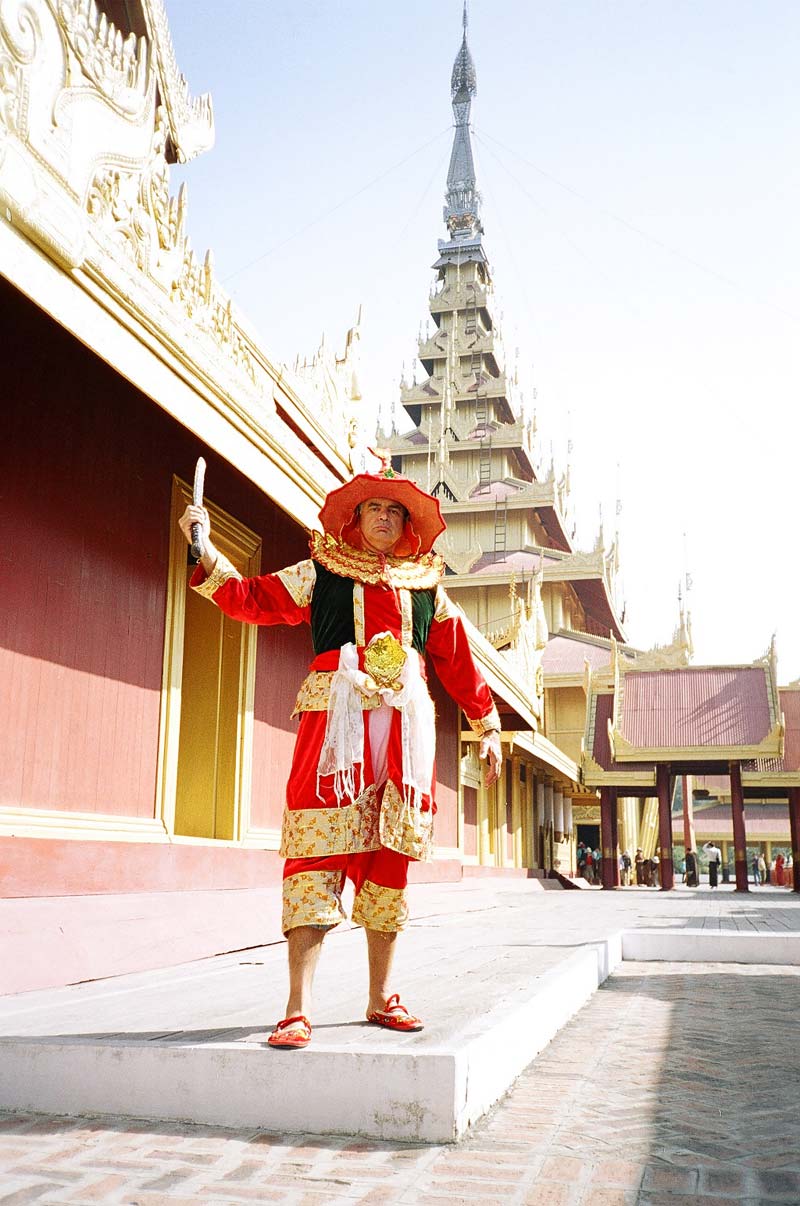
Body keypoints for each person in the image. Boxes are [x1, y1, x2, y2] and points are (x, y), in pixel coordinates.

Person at [179, 464, 502, 1050]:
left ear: (408, 525)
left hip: (405, 733)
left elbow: (457, 659)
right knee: (314, 852)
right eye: (374, 508)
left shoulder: (427, 587)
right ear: (355, 519)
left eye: (395, 511)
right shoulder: (321, 571)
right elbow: (252, 598)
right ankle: (297, 1008)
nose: (384, 517)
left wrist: (487, 723)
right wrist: (204, 548)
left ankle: (381, 998)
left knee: (392, 859)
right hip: (335, 724)